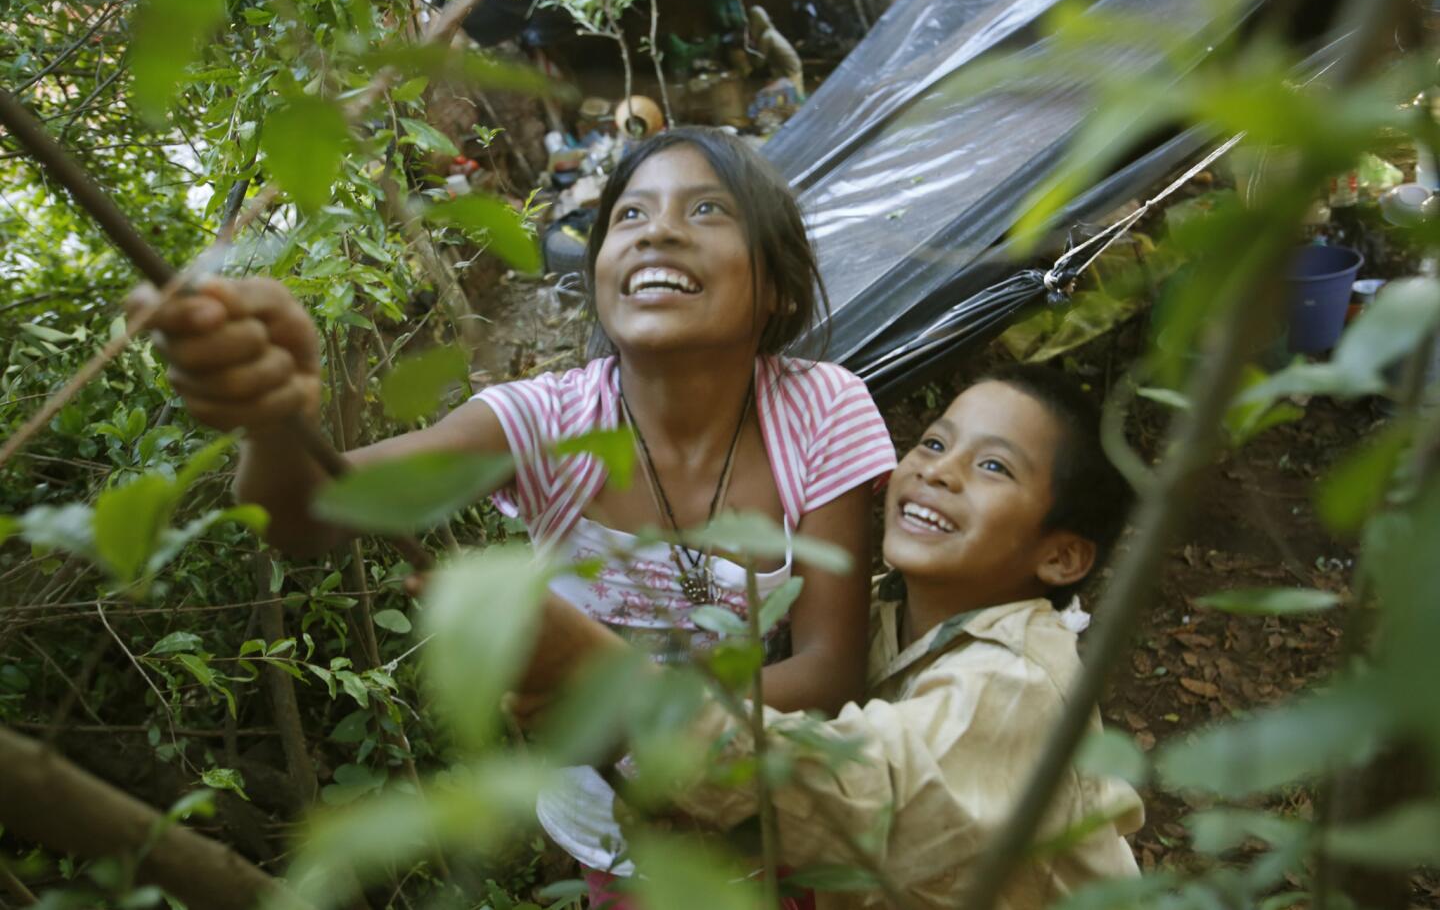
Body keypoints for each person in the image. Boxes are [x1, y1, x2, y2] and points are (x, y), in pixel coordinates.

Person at [130, 127, 897, 892]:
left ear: (779, 288)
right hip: (618, 843)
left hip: (771, 824)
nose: (659, 229)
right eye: (630, 215)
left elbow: (829, 672)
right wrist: (272, 420)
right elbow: (304, 517)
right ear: (599, 272)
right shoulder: (549, 424)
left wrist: (624, 694)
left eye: (707, 211)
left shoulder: (822, 411)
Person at [517, 365, 1145, 910]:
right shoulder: (878, 617)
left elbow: (858, 791)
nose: (939, 473)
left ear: (1062, 557)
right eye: (932, 443)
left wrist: (627, 688)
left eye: (992, 466)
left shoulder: (1019, 683)